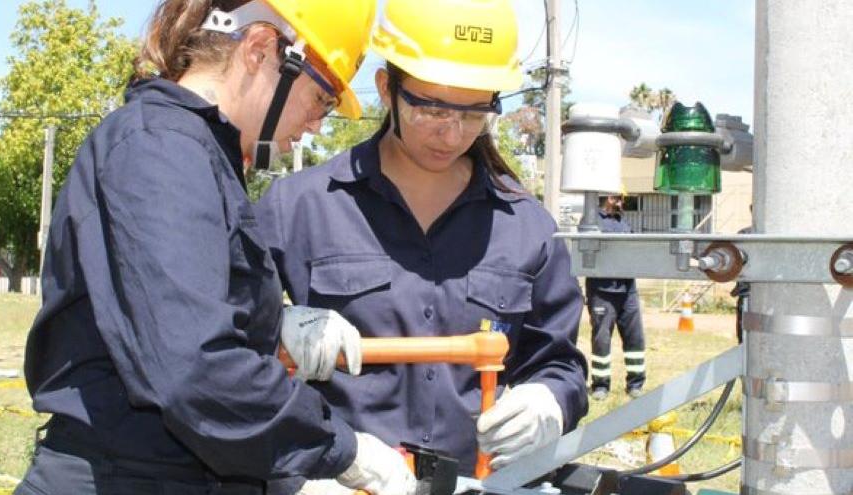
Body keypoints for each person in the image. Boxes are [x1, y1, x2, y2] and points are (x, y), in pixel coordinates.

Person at [16, 1, 418, 494]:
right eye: (322, 98)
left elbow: (170, 317)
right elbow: (194, 371)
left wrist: (267, 329)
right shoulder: (159, 149)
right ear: (261, 50)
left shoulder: (196, 152)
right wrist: (339, 449)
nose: (317, 123)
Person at [256, 0, 588, 482]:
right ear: (387, 88)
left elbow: (559, 364)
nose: (451, 133)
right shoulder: (296, 209)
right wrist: (274, 329)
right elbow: (223, 354)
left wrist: (550, 402)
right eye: (430, 107)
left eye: (475, 113)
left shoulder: (525, 226)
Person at [586, 194, 646, 400]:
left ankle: (635, 383)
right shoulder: (591, 221)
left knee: (635, 337)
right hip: (602, 290)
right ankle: (600, 385)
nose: (621, 203)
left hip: (628, 288)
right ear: (606, 198)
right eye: (617, 198)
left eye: (622, 199)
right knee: (602, 339)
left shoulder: (624, 223)